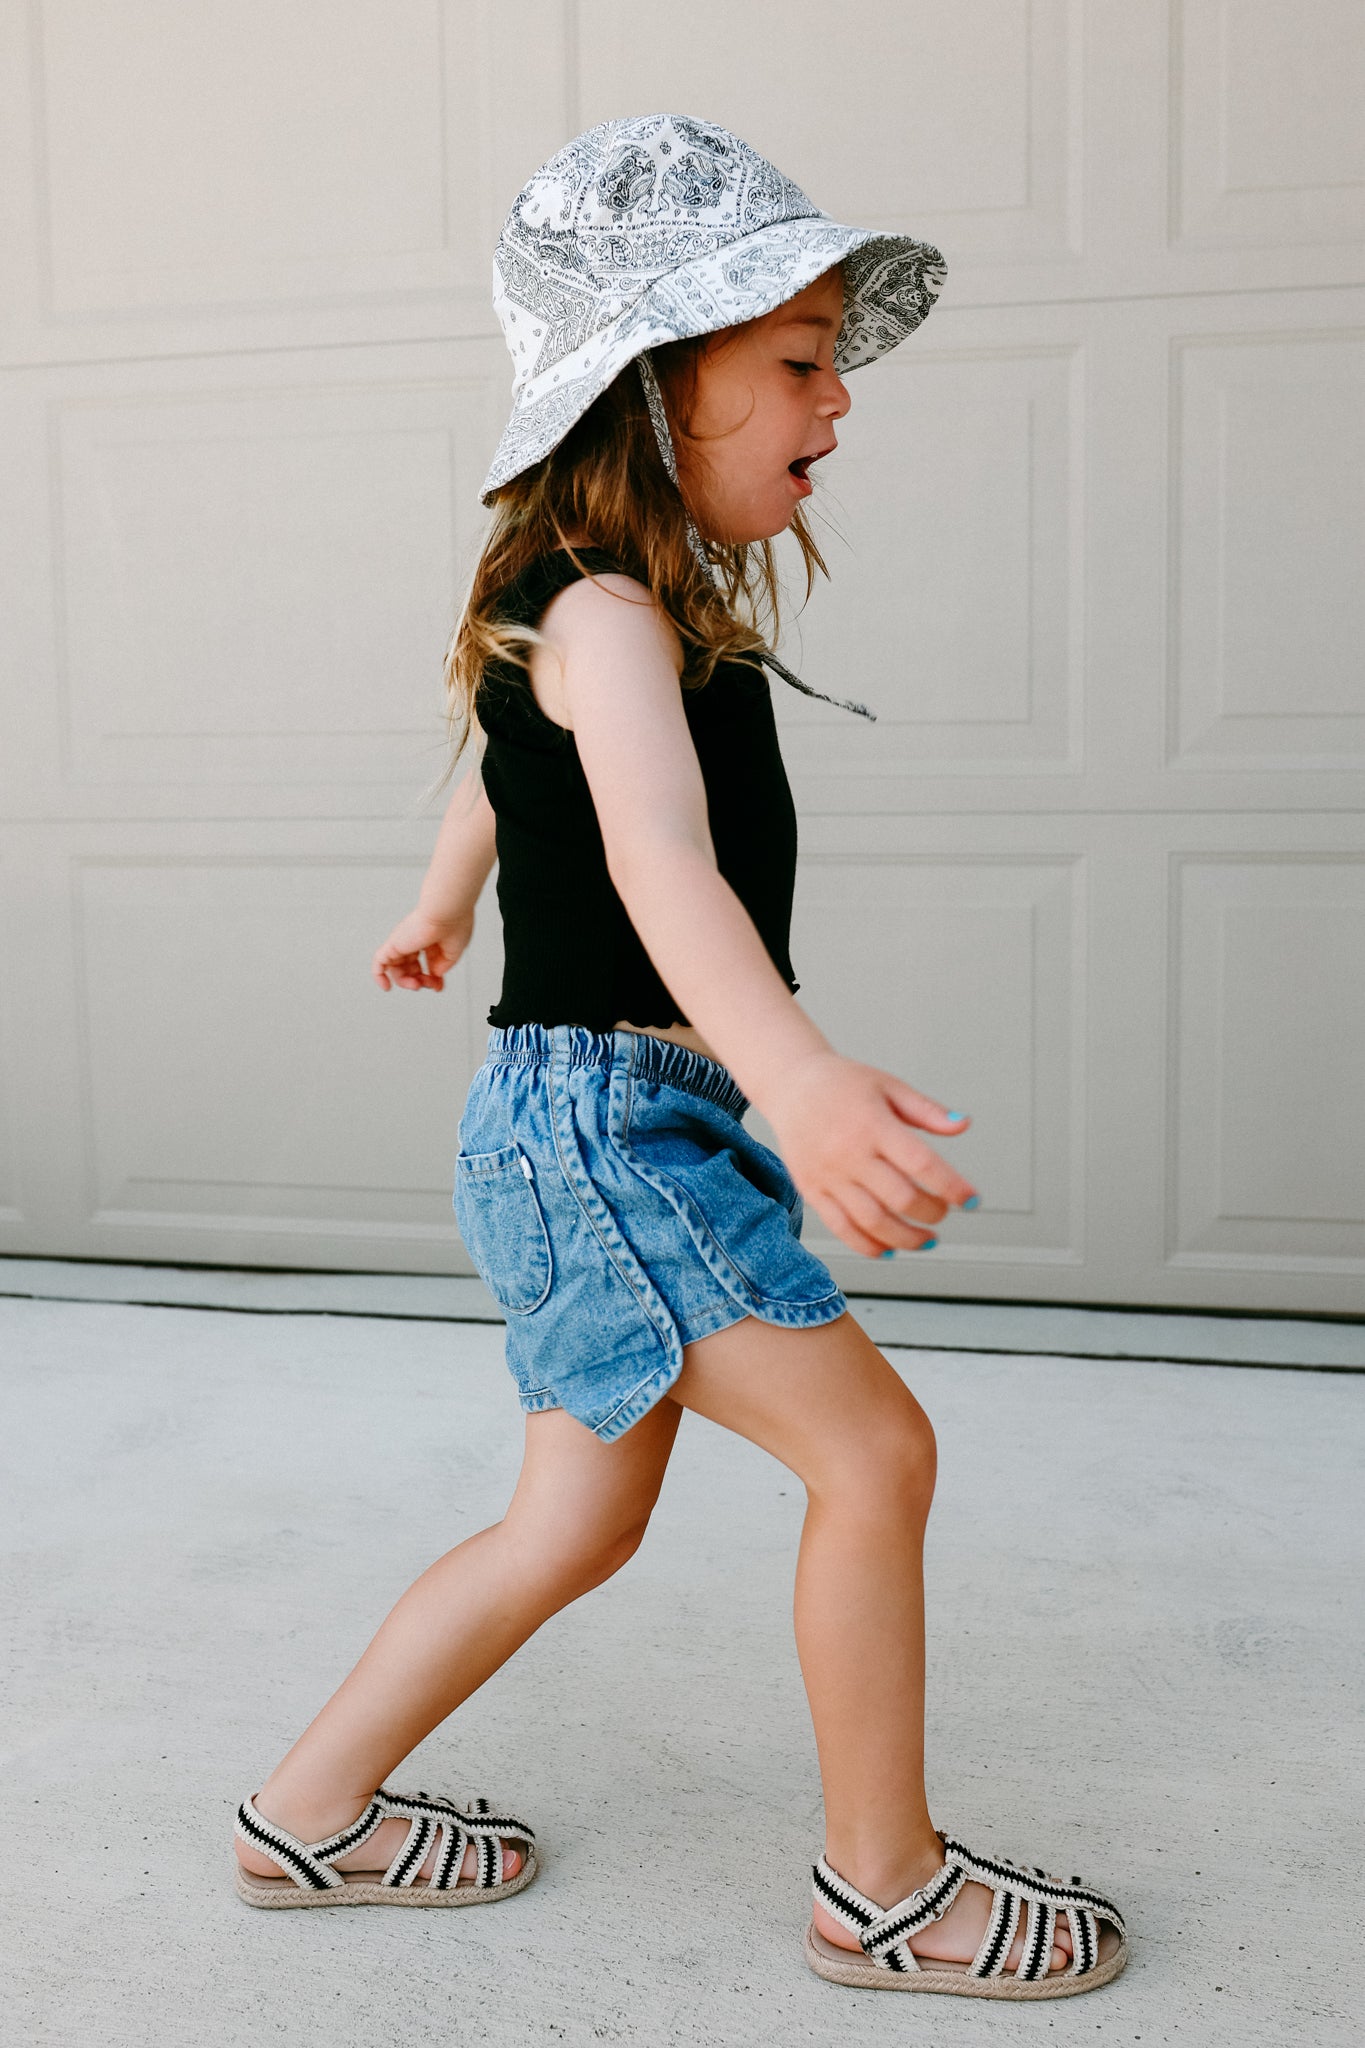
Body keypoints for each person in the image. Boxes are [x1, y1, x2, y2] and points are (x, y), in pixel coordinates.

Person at [232, 114, 1128, 1998]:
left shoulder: (585, 602)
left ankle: (312, 1811)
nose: (837, 402)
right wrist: (797, 1080)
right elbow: (657, 859)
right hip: (611, 1126)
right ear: (653, 383)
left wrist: (443, 893)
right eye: (795, 363)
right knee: (875, 1456)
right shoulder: (611, 613)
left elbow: (509, 763)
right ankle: (884, 1891)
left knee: (571, 1521)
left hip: (600, 1114)